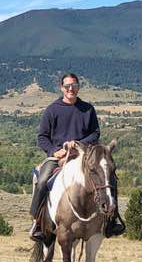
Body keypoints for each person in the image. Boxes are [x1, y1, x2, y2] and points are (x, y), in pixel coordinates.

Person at [29, 72, 125, 241]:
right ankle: (37, 222)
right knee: (43, 179)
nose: (70, 89)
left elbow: (95, 133)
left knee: (109, 178)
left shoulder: (88, 109)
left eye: (74, 85)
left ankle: (112, 219)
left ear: (78, 87)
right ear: (61, 88)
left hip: (84, 156)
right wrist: (54, 151)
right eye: (67, 86)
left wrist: (78, 143)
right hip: (59, 156)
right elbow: (42, 137)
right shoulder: (52, 110)